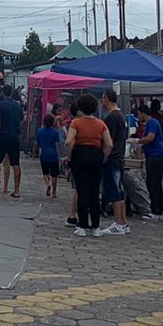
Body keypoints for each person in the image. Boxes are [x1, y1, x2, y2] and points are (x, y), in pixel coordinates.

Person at [67, 93, 111, 236]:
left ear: (80, 107)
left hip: (80, 155)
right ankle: (96, 227)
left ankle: (82, 226)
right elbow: (109, 144)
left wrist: (70, 157)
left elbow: (68, 141)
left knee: (82, 190)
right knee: (94, 192)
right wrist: (103, 157)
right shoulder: (101, 124)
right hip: (96, 155)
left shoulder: (76, 123)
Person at [100, 90, 129, 235]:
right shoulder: (120, 116)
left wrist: (104, 157)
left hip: (112, 158)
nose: (102, 101)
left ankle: (118, 223)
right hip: (119, 157)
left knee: (114, 190)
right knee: (119, 188)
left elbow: (108, 142)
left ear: (107, 99)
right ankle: (123, 221)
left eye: (103, 98)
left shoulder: (111, 118)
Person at [0, 86, 24, 197]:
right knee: (15, 163)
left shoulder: (1, 105)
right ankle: (17, 190)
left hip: (4, 136)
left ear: (3, 93)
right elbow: (21, 119)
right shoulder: (18, 105)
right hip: (14, 136)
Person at [139, 101, 163, 221]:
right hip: (154, 156)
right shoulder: (151, 122)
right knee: (155, 184)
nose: (138, 117)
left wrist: (138, 142)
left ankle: (156, 211)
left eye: (139, 114)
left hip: (156, 157)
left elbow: (150, 137)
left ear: (143, 113)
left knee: (153, 183)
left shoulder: (152, 122)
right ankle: (157, 210)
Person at [36, 114, 64, 198]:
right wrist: (60, 154)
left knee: (45, 173)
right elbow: (58, 144)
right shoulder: (55, 132)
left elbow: (38, 144)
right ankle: (54, 193)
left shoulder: (39, 131)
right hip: (53, 155)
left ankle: (48, 184)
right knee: (54, 175)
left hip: (44, 154)